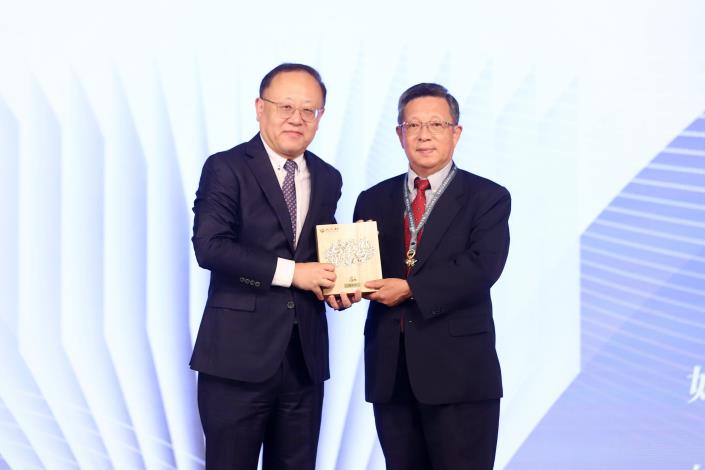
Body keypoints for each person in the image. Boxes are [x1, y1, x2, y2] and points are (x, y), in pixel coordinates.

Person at [190, 63, 342, 470]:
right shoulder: (226, 168)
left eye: (309, 110)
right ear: (260, 107)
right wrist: (294, 274)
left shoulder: (328, 177)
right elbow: (211, 248)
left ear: (320, 117)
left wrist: (339, 284)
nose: (298, 118)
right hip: (236, 359)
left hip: (304, 360)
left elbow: (319, 255)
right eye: (286, 106)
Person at [352, 83, 511, 469]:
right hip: (391, 371)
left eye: (436, 124)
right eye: (413, 125)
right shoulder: (372, 198)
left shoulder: (487, 197)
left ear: (455, 133)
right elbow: (357, 268)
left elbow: (483, 266)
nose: (424, 135)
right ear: (399, 134)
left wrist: (410, 289)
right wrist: (343, 289)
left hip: (459, 373)